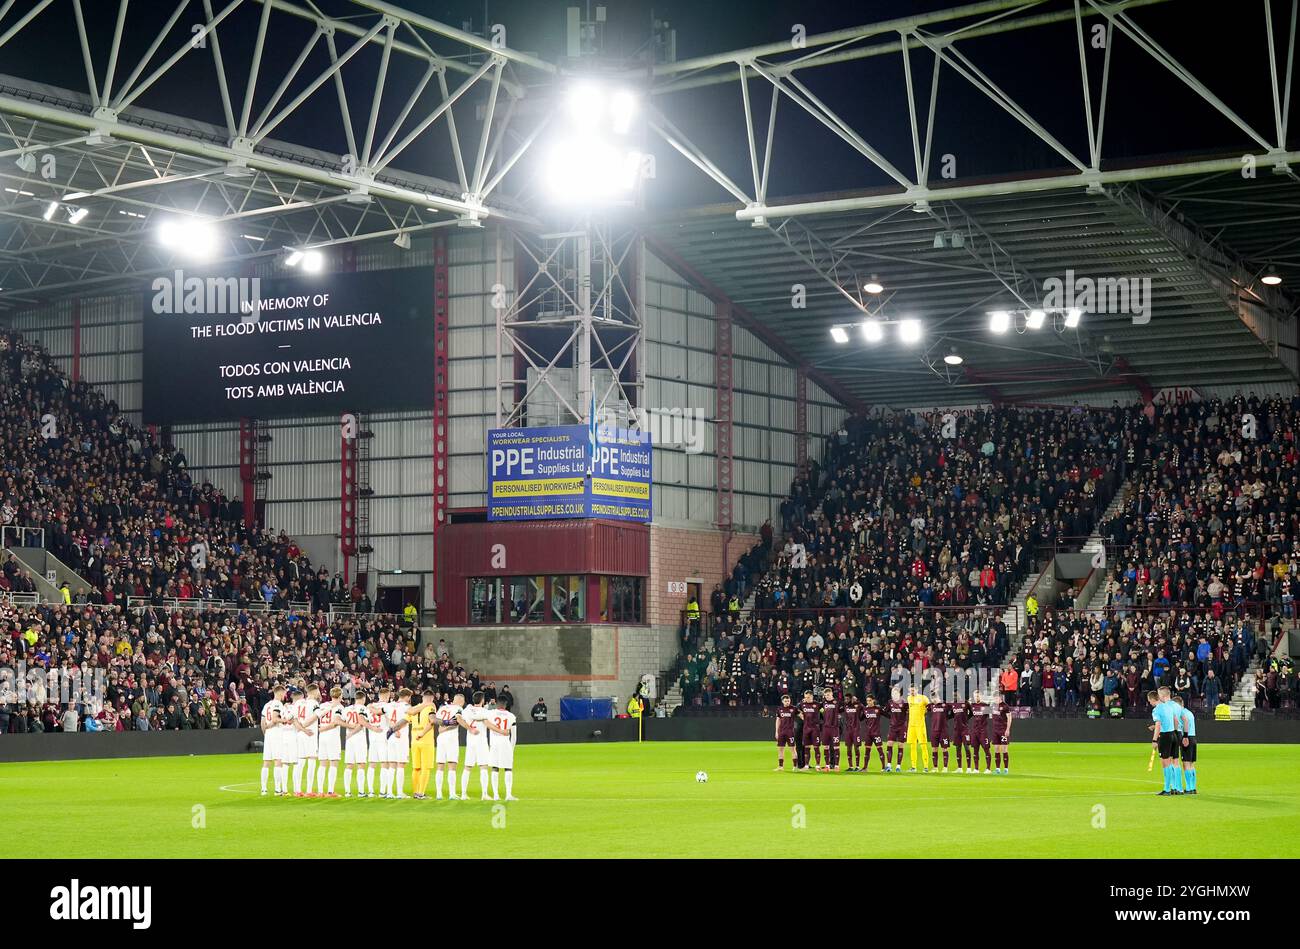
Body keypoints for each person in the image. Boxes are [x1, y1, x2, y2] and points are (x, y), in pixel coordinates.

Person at [434, 693, 478, 800]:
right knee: (452, 766)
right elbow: (458, 719)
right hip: (451, 739)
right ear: (461, 702)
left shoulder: (443, 708)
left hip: (441, 738)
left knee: (440, 766)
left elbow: (439, 726)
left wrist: (444, 728)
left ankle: (439, 793)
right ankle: (452, 793)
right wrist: (470, 728)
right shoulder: (458, 709)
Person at [460, 690, 494, 801]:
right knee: (483, 767)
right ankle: (484, 794)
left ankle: (463, 794)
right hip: (481, 741)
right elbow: (488, 722)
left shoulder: (467, 710)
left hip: (470, 741)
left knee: (467, 767)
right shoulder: (485, 712)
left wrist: (469, 728)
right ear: (482, 700)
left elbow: (460, 718)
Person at [483, 695, 518, 801]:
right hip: (505, 744)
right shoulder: (511, 716)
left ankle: (496, 795)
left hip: (494, 744)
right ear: (506, 704)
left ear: (497, 703)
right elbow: (514, 736)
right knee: (508, 768)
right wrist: (511, 749)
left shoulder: (490, 713)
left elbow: (484, 718)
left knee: (495, 768)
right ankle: (508, 795)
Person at [1149, 687, 1181, 796]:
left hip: (1165, 736)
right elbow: (1175, 720)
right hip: (1173, 734)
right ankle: (1175, 787)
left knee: (1165, 764)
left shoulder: (1157, 709)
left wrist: (1154, 740)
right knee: (1173, 762)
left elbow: (1158, 725)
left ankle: (1167, 789)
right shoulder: (1168, 706)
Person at [406, 690, 438, 799]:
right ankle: (421, 793)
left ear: (422, 697)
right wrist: (422, 733)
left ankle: (416, 792)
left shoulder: (415, 708)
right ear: (432, 698)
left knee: (416, 768)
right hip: (426, 740)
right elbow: (432, 721)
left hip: (414, 741)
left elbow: (408, 715)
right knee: (426, 768)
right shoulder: (430, 708)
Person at [314, 686, 344, 797]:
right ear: (340, 695)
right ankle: (330, 791)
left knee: (322, 764)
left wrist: (321, 729)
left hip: (322, 737)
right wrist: (324, 728)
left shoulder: (323, 705)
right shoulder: (340, 707)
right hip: (332, 736)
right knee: (333, 763)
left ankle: (320, 791)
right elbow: (336, 722)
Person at [259, 685, 288, 797]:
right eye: (284, 694)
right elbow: (275, 718)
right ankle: (277, 789)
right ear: (280, 693)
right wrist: (284, 720)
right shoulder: (278, 704)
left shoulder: (267, 705)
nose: (285, 696)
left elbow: (262, 722)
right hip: (276, 733)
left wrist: (265, 733)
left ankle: (264, 789)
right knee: (278, 761)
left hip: (268, 734)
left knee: (266, 762)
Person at [341, 692, 370, 797]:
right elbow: (362, 724)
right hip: (359, 737)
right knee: (361, 764)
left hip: (349, 738)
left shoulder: (347, 709)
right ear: (363, 698)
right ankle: (361, 791)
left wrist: (348, 726)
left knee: (349, 764)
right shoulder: (364, 709)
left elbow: (339, 720)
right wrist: (353, 730)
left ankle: (347, 792)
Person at [1173, 694, 1198, 794]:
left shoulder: (1181, 713)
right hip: (1193, 738)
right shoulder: (1189, 712)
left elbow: (1184, 723)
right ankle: (1193, 787)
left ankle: (1188, 788)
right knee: (1191, 764)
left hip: (1186, 738)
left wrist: (1185, 736)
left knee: (1186, 764)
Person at [905, 684, 929, 772]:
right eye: (910, 690)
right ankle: (913, 767)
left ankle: (926, 767)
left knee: (923, 745)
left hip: (920, 725)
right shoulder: (908, 698)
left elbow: (929, 707)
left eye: (913, 690)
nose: (912, 692)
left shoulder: (923, 698)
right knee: (912, 746)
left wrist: (925, 711)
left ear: (917, 690)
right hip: (911, 725)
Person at [884, 689, 907, 773]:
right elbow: (885, 711)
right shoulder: (890, 702)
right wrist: (891, 718)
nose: (893, 694)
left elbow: (909, 711)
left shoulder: (904, 702)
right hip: (893, 727)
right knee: (889, 743)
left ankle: (898, 766)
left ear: (899, 694)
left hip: (902, 727)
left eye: (895, 692)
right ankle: (889, 765)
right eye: (892, 693)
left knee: (900, 745)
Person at [990, 692, 1012, 774]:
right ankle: (997, 769)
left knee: (1004, 749)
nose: (995, 699)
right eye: (994, 698)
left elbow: (1009, 718)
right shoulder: (992, 705)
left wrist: (1007, 729)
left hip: (1003, 730)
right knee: (996, 749)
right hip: (995, 730)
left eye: (996, 698)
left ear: (1000, 698)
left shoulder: (1005, 706)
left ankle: (1006, 769)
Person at [818, 687, 840, 772]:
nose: (827, 696)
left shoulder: (837, 702)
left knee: (836, 747)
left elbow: (843, 709)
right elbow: (818, 709)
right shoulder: (823, 703)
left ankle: (837, 766)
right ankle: (827, 766)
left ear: (831, 694)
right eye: (825, 695)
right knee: (826, 747)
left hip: (834, 728)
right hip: (826, 728)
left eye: (828, 695)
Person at [774, 693, 798, 771]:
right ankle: (781, 766)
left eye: (788, 701)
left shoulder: (794, 709)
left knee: (792, 749)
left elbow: (801, 715)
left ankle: (795, 766)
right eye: (785, 701)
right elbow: (778, 720)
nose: (787, 702)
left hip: (790, 732)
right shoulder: (779, 709)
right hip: (781, 732)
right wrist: (776, 732)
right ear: (782, 701)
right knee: (780, 749)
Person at [798, 689, 820, 771]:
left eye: (808, 697)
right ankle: (806, 765)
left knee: (816, 747)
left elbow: (824, 711)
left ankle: (818, 765)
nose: (807, 699)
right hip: (806, 728)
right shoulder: (802, 704)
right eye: (805, 697)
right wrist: (801, 715)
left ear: (812, 696)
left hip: (815, 729)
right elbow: (796, 710)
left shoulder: (817, 704)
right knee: (806, 747)